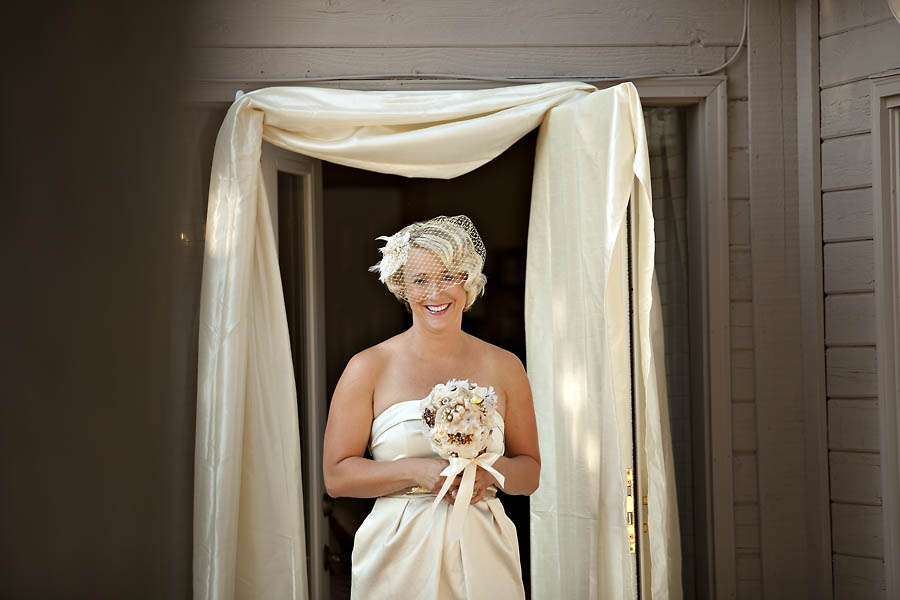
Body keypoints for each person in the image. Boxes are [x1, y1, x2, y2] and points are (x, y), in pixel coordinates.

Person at [322, 215, 541, 600]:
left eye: (448, 277)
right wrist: (416, 472)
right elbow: (337, 477)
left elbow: (530, 474)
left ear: (468, 280)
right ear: (402, 286)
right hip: (397, 552)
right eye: (420, 280)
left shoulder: (506, 367)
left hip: (484, 550)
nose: (435, 292)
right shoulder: (368, 367)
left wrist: (488, 473)